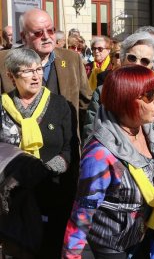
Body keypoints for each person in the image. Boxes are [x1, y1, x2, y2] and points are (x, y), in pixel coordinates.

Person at [62, 64, 154, 258]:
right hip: (114, 247)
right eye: (149, 95)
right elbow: (82, 214)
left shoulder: (149, 130)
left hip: (146, 236)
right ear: (125, 100)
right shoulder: (100, 153)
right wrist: (71, 255)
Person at [0, 48, 76, 258]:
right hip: (11, 197)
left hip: (51, 192)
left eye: (38, 69)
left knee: (50, 250)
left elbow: (68, 149)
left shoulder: (60, 105)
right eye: (27, 71)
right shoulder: (3, 106)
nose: (35, 76)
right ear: (11, 76)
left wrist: (39, 171)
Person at [0, 8, 92, 138]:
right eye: (38, 33)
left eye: (50, 30)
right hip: (21, 150)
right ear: (23, 36)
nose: (46, 37)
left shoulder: (72, 59)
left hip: (65, 149)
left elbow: (86, 104)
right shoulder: (3, 61)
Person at [82, 32, 154, 144]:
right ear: (122, 59)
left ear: (153, 68)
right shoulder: (103, 92)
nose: (137, 64)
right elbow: (91, 132)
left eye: (145, 61)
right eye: (132, 58)